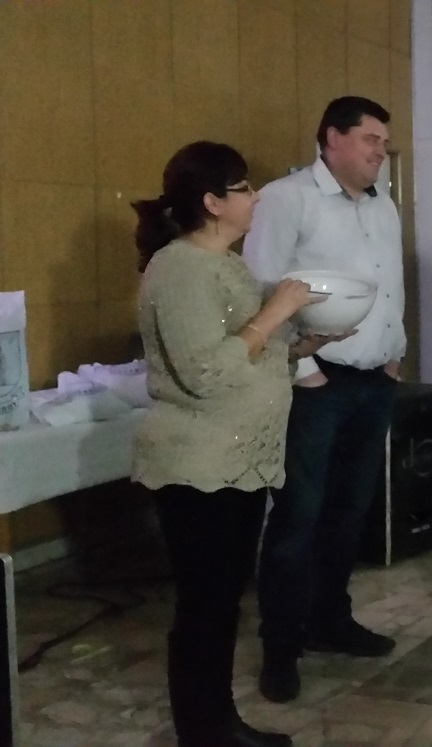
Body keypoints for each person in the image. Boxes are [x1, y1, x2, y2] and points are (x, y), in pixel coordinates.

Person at [132, 141, 345, 746]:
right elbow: (205, 371)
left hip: (239, 460)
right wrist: (277, 311)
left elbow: (248, 355)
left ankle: (220, 722)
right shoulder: (179, 268)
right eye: (245, 188)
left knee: (225, 600)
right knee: (204, 605)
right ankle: (202, 732)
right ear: (211, 201)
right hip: (197, 464)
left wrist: (302, 346)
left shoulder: (227, 263)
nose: (255, 198)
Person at [243, 96, 406, 703]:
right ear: (331, 139)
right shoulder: (287, 199)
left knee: (350, 512)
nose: (380, 151)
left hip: (373, 380)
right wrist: (305, 369)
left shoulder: (383, 205)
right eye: (370, 139)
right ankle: (281, 647)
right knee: (298, 518)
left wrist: (394, 351)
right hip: (313, 383)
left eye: (383, 142)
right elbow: (262, 289)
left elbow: (389, 286)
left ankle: (331, 620)